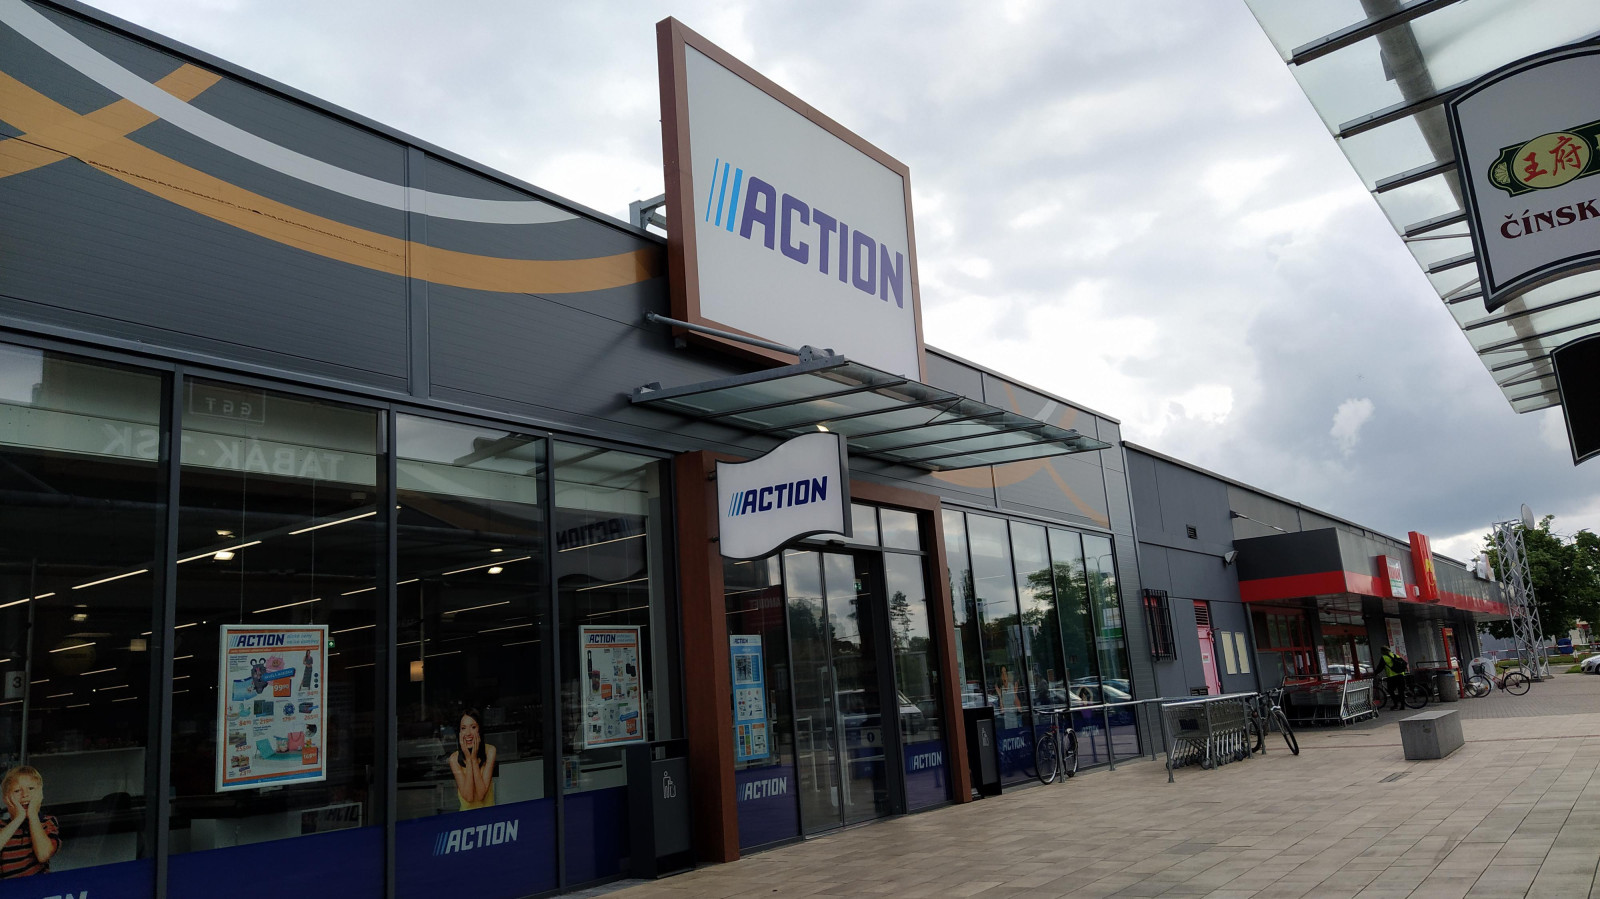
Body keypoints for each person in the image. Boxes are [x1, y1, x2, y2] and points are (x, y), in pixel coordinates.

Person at [1, 766, 59, 878]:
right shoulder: (2, 827)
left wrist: (32, 814)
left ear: (40, 795)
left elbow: (43, 855)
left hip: (36, 886)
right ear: (6, 799)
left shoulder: (47, 822)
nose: (25, 795)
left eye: (31, 788)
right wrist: (19, 818)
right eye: (17, 791)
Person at [448, 709, 496, 810]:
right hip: (467, 816)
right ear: (459, 732)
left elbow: (481, 795)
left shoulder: (490, 751)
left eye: (473, 727)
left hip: (489, 814)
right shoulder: (454, 759)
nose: (468, 733)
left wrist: (473, 759)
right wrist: (469, 759)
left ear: (479, 730)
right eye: (463, 728)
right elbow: (469, 797)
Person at [1378, 646, 1407, 711]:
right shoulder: (1396, 655)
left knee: (1390, 691)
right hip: (1401, 675)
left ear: (1383, 651)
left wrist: (1375, 674)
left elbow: (1380, 667)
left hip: (1392, 677)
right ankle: (1402, 706)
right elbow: (1404, 663)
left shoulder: (1384, 658)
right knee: (1401, 691)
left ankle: (1396, 704)